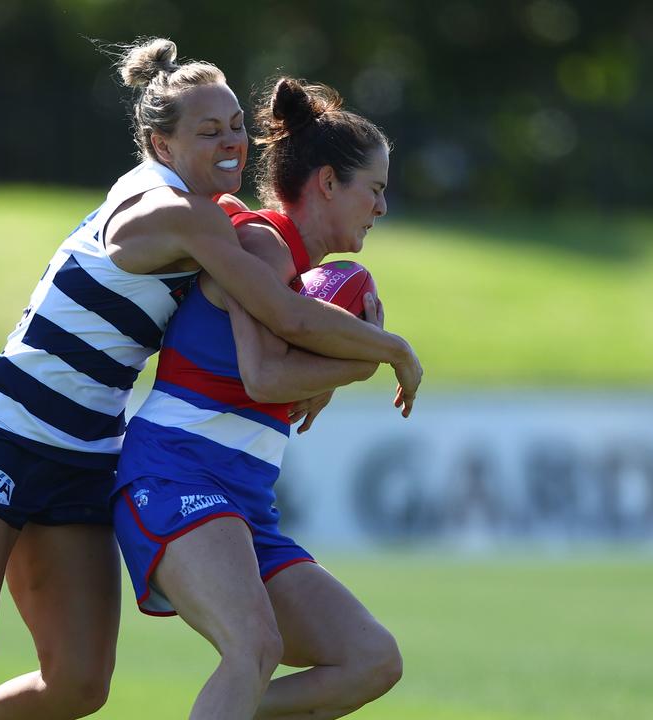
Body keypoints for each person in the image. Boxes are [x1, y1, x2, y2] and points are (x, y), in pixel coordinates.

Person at [0, 38, 421, 720]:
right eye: (209, 131)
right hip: (0, 431)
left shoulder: (217, 220)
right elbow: (276, 312)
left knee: (79, 686)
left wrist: (332, 353)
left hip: (87, 456)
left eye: (235, 126)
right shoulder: (179, 211)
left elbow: (267, 343)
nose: (232, 142)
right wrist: (389, 350)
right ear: (159, 144)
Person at [112, 76, 405, 720]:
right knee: (253, 645)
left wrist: (344, 359)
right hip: (173, 474)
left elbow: (284, 379)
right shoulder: (258, 244)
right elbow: (265, 379)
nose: (381, 209)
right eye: (375, 190)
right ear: (328, 183)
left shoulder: (302, 277)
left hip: (243, 502)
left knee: (370, 660)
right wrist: (377, 356)